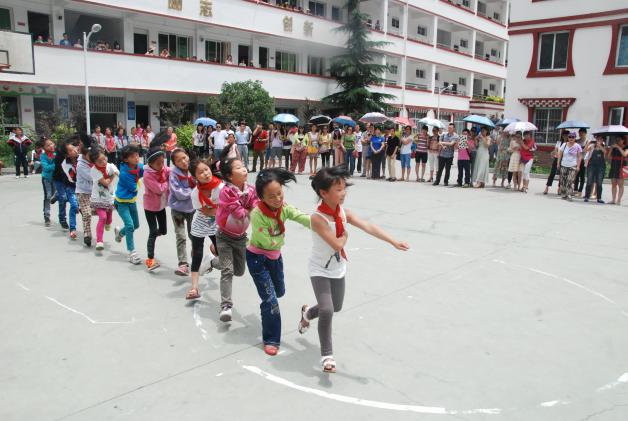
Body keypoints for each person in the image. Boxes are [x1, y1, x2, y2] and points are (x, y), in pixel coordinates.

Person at [297, 166, 409, 373]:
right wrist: (345, 236)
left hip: (338, 268)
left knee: (335, 306)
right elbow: (337, 244)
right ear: (323, 193)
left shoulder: (343, 213)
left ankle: (307, 313)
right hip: (319, 269)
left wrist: (393, 241)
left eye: (344, 188)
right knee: (328, 310)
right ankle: (327, 356)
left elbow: (368, 226)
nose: (343, 193)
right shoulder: (317, 218)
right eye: (338, 189)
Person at [246, 168, 310, 355]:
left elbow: (302, 217)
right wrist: (279, 241)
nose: (277, 199)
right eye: (271, 196)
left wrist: (321, 223)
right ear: (261, 197)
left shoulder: (284, 208)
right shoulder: (258, 214)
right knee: (270, 299)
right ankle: (272, 339)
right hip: (258, 259)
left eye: (279, 193)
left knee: (279, 291)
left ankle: (269, 305)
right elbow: (267, 241)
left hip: (274, 258)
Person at [206, 156, 259, 321]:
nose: (244, 168)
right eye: (239, 167)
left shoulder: (250, 189)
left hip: (241, 237)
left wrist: (253, 208)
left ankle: (212, 262)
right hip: (224, 236)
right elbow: (239, 213)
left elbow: (257, 205)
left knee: (239, 271)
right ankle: (226, 306)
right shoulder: (226, 191)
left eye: (243, 166)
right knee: (228, 271)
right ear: (230, 176)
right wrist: (250, 208)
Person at [186, 159, 224, 299]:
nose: (205, 173)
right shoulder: (195, 193)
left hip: (216, 223)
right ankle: (194, 288)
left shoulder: (220, 187)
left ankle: (211, 258)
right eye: (200, 172)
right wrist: (217, 209)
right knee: (197, 255)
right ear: (195, 177)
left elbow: (225, 207)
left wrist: (217, 209)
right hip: (200, 224)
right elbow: (206, 212)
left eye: (206, 169)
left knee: (223, 254)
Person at [113, 145, 144, 263]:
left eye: (137, 155)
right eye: (133, 156)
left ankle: (120, 233)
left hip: (131, 202)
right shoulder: (125, 173)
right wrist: (141, 179)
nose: (136, 158)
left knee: (135, 225)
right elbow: (134, 188)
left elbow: (145, 169)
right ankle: (132, 252)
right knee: (130, 225)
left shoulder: (137, 166)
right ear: (126, 159)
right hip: (121, 203)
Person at [143, 147, 171, 271]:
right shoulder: (147, 175)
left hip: (160, 206)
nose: (161, 165)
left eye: (162, 162)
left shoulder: (163, 169)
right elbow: (159, 189)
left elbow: (170, 171)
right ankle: (150, 260)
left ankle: (152, 237)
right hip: (150, 207)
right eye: (158, 163)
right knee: (153, 231)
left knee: (164, 230)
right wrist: (168, 183)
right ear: (150, 164)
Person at [169, 148, 195, 276]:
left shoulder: (194, 170)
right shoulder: (174, 174)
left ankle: (196, 258)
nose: (183, 161)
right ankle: (183, 264)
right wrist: (193, 192)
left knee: (194, 235)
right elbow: (178, 193)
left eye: (184, 157)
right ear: (175, 163)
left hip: (192, 209)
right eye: (179, 160)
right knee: (181, 236)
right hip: (177, 210)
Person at [89, 147, 119, 251]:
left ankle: (108, 222)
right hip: (98, 198)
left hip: (109, 196)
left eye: (104, 159)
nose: (103, 162)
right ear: (94, 162)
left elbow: (116, 170)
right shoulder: (94, 170)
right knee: (102, 217)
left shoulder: (109, 165)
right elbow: (105, 182)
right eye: (99, 161)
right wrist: (113, 176)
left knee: (108, 217)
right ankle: (99, 241)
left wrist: (117, 173)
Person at [53, 138, 79, 238]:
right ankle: (71, 227)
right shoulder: (65, 163)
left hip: (83, 188)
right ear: (67, 154)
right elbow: (73, 178)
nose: (75, 150)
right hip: (70, 186)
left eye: (75, 148)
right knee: (72, 204)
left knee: (85, 211)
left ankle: (87, 232)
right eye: (72, 150)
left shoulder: (81, 158)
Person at [76, 140, 94, 247]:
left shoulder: (93, 161)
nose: (92, 157)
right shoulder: (80, 165)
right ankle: (87, 234)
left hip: (94, 192)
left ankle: (82, 209)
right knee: (87, 214)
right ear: (84, 154)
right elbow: (92, 177)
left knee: (103, 210)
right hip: (82, 193)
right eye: (89, 155)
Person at [556, 132, 583, 202]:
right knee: (562, 180)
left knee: (570, 180)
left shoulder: (577, 146)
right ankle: (564, 194)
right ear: (568, 138)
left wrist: (578, 166)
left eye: (573, 137)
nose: (571, 138)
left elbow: (580, 156)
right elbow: (560, 154)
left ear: (575, 138)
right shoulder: (564, 145)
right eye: (570, 137)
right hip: (564, 164)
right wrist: (558, 163)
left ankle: (569, 194)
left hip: (572, 165)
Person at [544, 130, 569, 195]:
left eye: (566, 135)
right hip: (557, 159)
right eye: (564, 135)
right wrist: (555, 153)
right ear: (562, 136)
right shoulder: (559, 142)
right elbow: (555, 150)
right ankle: (547, 187)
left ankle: (559, 188)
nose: (565, 137)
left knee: (562, 175)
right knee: (552, 173)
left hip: (564, 160)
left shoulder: (569, 144)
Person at [584, 135, 606, 204]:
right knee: (589, 181)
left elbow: (605, 152)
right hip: (591, 165)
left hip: (601, 167)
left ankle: (599, 198)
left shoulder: (604, 147)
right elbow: (585, 150)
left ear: (602, 140)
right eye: (597, 139)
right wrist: (588, 143)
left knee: (599, 182)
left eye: (600, 139)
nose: (598, 141)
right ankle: (587, 196)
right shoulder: (592, 146)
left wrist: (600, 146)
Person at [40, 138, 57, 227]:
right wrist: (55, 165)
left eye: (51, 144)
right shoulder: (43, 156)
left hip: (55, 179)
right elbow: (46, 168)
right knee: (48, 196)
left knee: (54, 195)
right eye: (48, 145)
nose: (51, 146)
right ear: (45, 147)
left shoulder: (56, 154)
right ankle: (46, 216)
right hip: (46, 178)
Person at [608, 135, 627, 205]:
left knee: (620, 185)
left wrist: (618, 147)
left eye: (619, 140)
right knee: (613, 184)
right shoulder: (614, 148)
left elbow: (624, 154)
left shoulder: (626, 147)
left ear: (623, 140)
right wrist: (610, 149)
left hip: (621, 167)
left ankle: (618, 200)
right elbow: (608, 157)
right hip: (614, 166)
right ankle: (613, 199)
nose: (617, 141)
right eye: (617, 140)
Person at [574, 128, 589, 197]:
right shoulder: (577, 141)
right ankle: (575, 190)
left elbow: (584, 150)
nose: (580, 135)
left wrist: (579, 150)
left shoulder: (588, 141)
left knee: (582, 176)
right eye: (579, 133)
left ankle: (580, 191)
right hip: (577, 159)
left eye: (582, 133)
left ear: (585, 133)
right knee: (576, 175)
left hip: (583, 160)